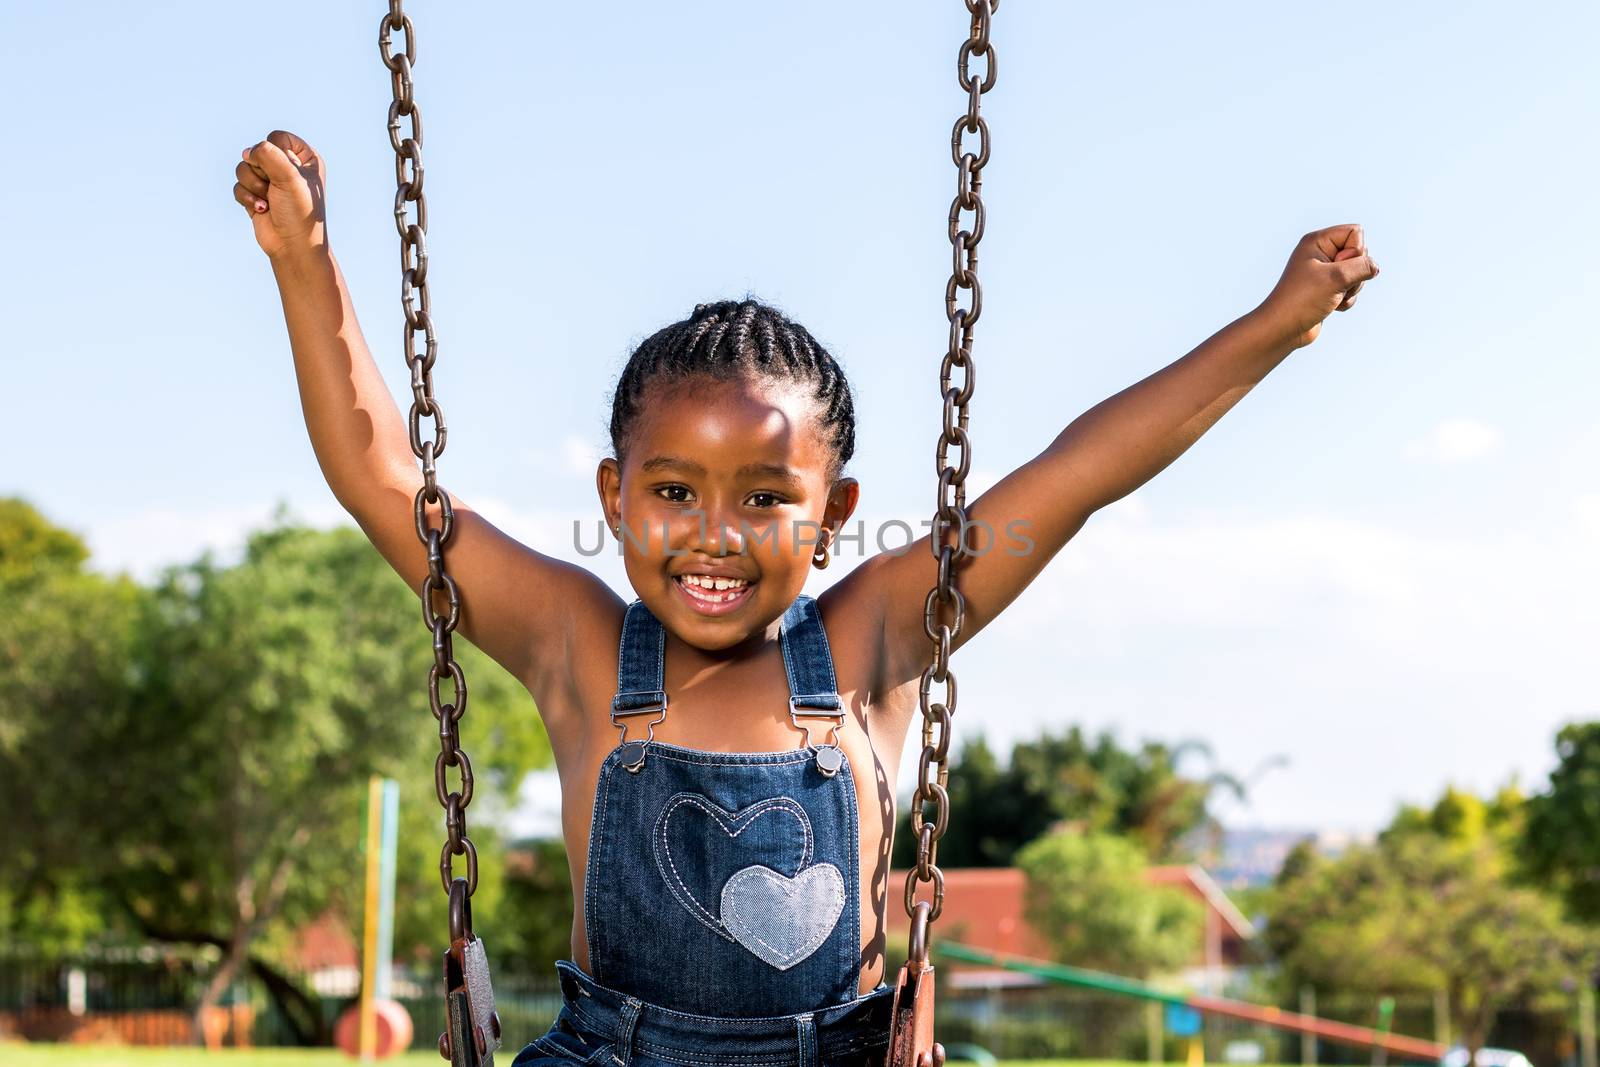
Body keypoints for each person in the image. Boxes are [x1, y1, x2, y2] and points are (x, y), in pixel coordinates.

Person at [234, 128, 1378, 1066]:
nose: (714, 534)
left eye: (766, 495)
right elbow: (385, 482)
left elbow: (1077, 475)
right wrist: (307, 261)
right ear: (615, 495)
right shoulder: (575, 641)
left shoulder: (873, 636)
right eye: (674, 489)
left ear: (835, 514)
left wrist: (1275, 323)